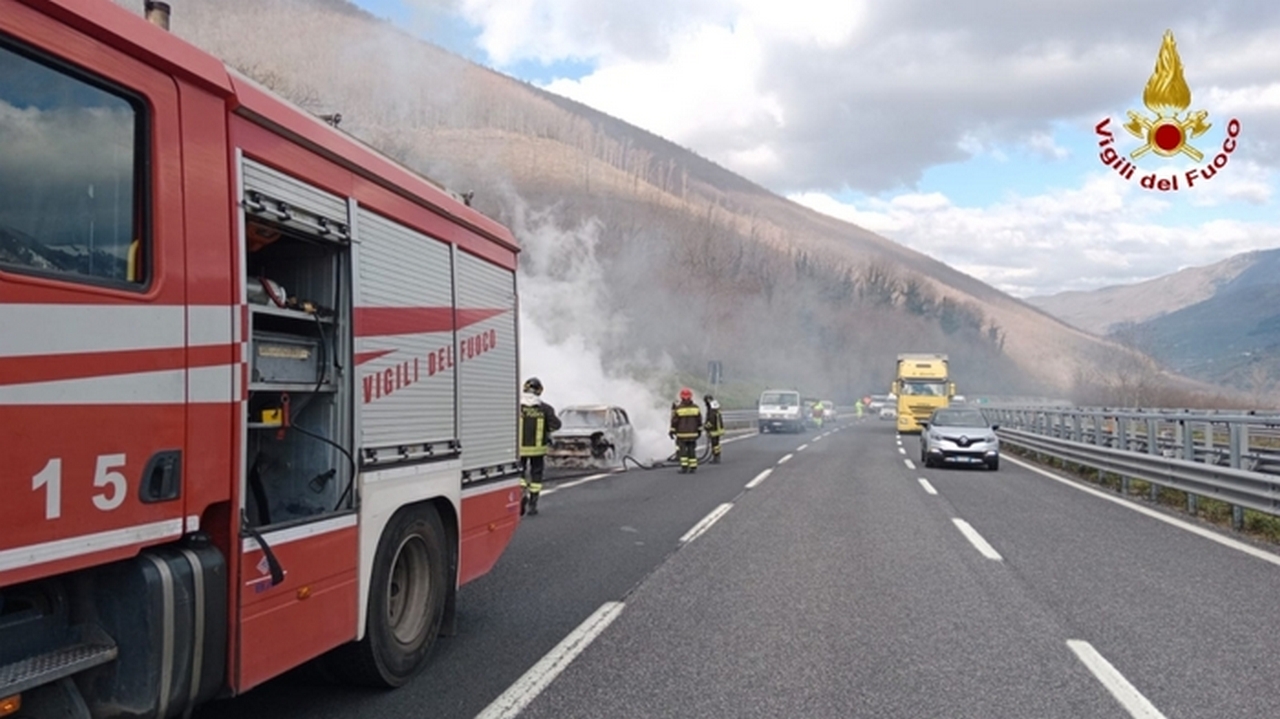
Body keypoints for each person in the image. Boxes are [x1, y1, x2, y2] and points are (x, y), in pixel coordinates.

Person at [518, 377, 560, 515]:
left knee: (520, 473)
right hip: (538, 450)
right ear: (539, 391)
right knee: (536, 476)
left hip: (519, 449)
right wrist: (546, 431)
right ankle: (533, 504)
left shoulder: (516, 407)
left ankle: (521, 494)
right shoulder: (545, 409)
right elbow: (556, 425)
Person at [669, 387, 702, 474]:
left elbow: (674, 421)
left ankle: (684, 468)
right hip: (693, 434)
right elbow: (699, 421)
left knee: (683, 452)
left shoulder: (678, 409)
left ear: (681, 397)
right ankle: (693, 467)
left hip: (681, 434)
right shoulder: (696, 408)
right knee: (692, 450)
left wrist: (672, 431)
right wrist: (699, 431)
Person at [703, 393, 725, 464]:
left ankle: (716, 457)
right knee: (716, 444)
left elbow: (711, 420)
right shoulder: (715, 406)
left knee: (714, 444)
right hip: (718, 429)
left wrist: (706, 427)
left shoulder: (711, 409)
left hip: (714, 429)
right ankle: (717, 456)